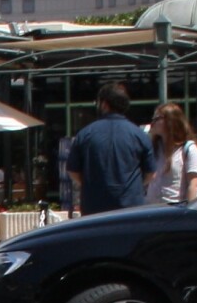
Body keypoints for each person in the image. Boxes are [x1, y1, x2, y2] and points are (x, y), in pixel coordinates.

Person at [66, 84, 154, 215]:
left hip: (95, 209)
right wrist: (133, 186)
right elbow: (151, 173)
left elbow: (73, 171)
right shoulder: (139, 135)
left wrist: (92, 183)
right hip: (131, 209)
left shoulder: (85, 134)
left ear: (104, 104)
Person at [145, 104, 197, 205]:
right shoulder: (154, 149)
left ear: (170, 121)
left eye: (157, 118)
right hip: (151, 211)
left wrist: (190, 214)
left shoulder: (189, 150)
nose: (152, 123)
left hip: (174, 210)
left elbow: (194, 185)